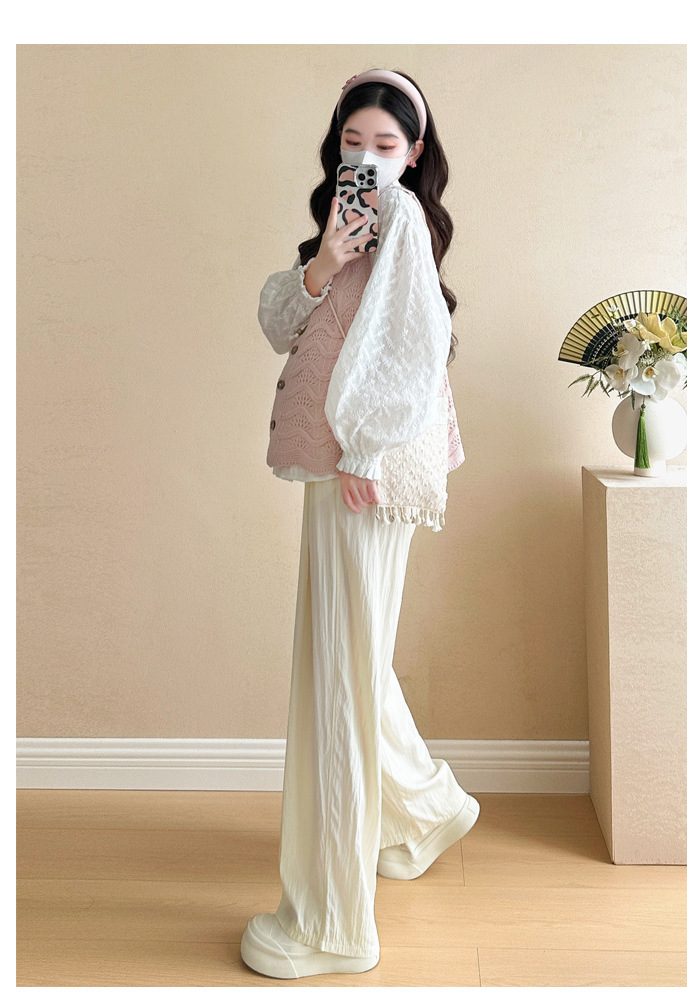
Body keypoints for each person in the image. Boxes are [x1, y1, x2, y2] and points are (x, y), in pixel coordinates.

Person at [241, 69, 479, 980]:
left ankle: (332, 924)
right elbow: (280, 322)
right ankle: (420, 812)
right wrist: (323, 263)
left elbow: (414, 349)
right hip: (344, 469)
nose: (368, 159)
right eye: (354, 143)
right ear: (335, 147)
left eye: (385, 146)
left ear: (413, 155)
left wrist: (367, 453)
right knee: (349, 660)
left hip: (363, 475)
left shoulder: (405, 220)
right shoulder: (348, 229)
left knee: (338, 676)